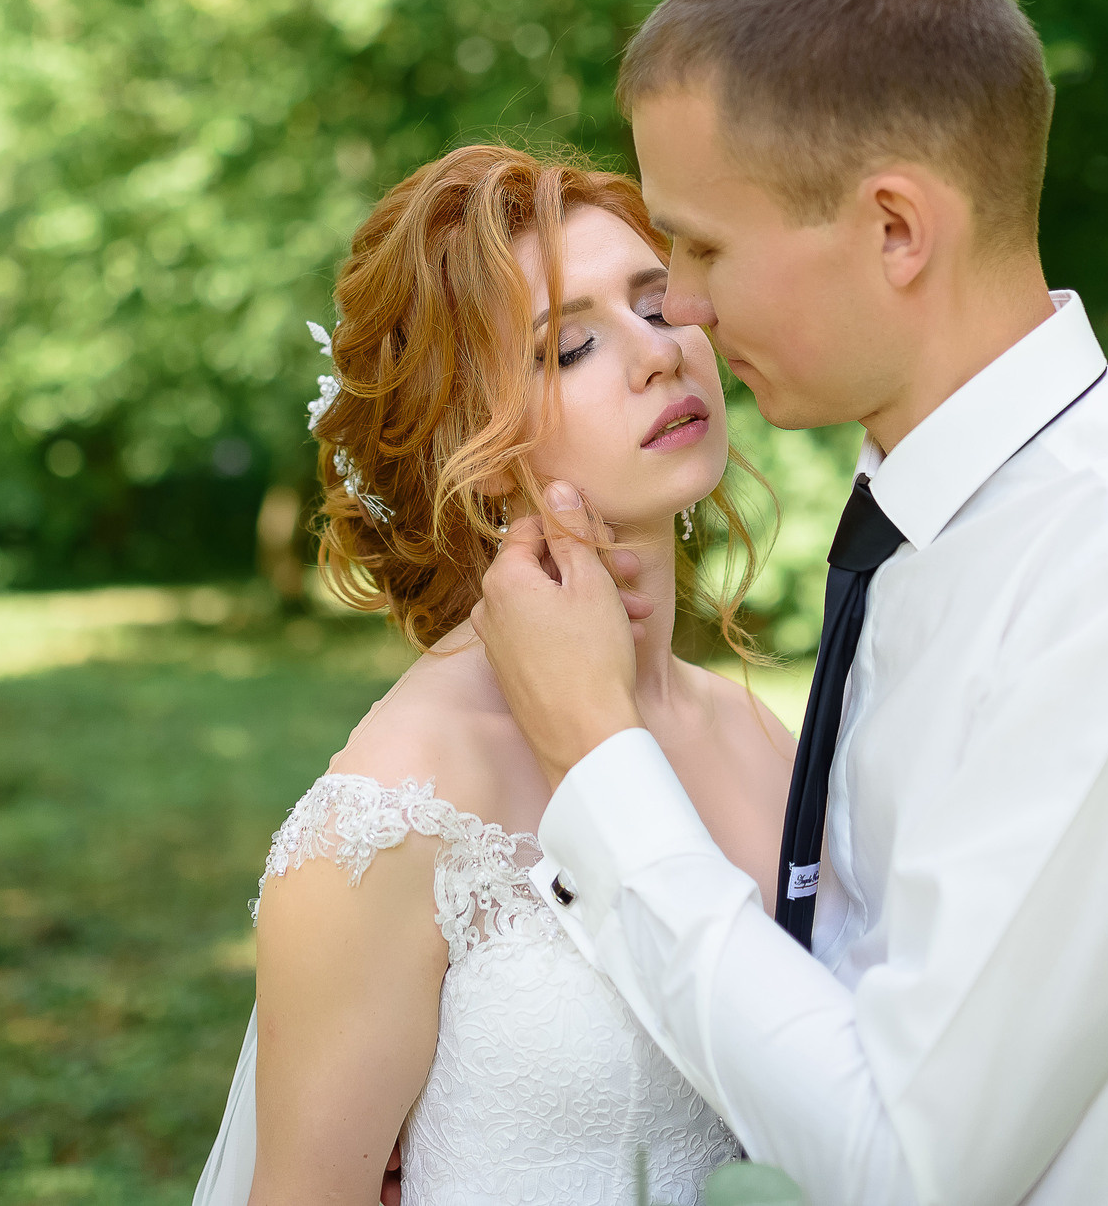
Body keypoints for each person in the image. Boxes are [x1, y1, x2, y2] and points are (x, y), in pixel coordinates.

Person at [470, 0, 1108, 1206]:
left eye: (706, 244)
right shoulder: (929, 514)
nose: (687, 302)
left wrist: (596, 760)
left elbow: (908, 1167)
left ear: (896, 228)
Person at [196, 146, 797, 1206]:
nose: (656, 353)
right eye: (568, 346)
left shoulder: (761, 735)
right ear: (460, 437)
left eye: (657, 304)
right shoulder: (392, 808)